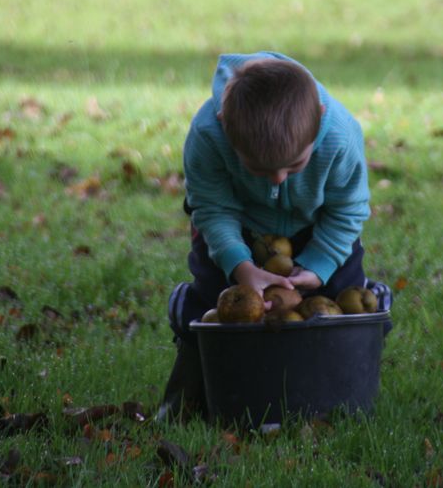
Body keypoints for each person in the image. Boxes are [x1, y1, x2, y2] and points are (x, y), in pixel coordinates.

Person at [157, 52, 392, 422]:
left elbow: (348, 210)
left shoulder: (340, 137)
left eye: (294, 165)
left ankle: (353, 351)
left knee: (340, 301)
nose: (279, 178)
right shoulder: (207, 134)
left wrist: (319, 263)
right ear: (225, 125)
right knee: (215, 302)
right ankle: (190, 326)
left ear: (319, 121)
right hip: (240, 228)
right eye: (259, 169)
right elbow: (212, 209)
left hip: (319, 226)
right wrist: (239, 264)